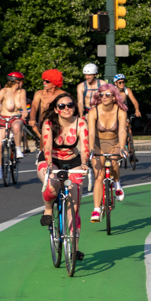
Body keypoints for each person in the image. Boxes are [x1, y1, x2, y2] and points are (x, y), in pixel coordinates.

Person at [37, 93, 89, 236]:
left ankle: (74, 245)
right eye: (62, 106)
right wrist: (49, 165)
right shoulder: (49, 123)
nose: (66, 108)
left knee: (75, 206)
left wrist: (84, 163)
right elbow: (47, 147)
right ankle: (48, 209)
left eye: (70, 105)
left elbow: (85, 147)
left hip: (73, 161)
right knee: (51, 184)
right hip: (51, 159)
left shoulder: (81, 123)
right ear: (56, 109)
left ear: (74, 107)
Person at [87, 83, 129, 222]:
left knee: (114, 160)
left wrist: (122, 148)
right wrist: (91, 149)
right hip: (98, 145)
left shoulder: (120, 111)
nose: (104, 97)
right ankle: (96, 209)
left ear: (114, 97)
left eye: (107, 94)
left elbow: (122, 131)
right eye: (101, 94)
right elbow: (91, 133)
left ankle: (117, 183)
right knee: (99, 177)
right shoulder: (94, 112)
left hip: (114, 143)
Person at [0, 72, 28, 179]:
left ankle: (18, 149)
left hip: (16, 117)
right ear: (17, 82)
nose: (23, 83)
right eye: (22, 81)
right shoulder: (4, 91)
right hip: (3, 119)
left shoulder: (22, 92)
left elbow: (23, 103)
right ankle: (0, 168)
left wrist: (24, 111)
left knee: (16, 127)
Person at [29, 70, 66, 142]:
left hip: (58, 125)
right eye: (44, 81)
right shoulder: (39, 94)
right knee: (44, 145)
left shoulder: (62, 94)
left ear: (54, 83)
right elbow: (34, 106)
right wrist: (32, 119)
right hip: (43, 125)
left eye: (47, 81)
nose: (44, 83)